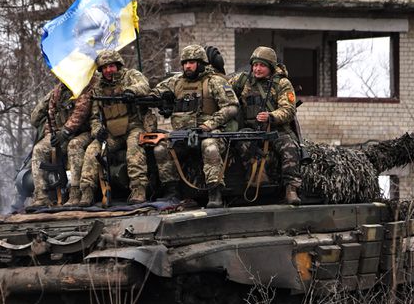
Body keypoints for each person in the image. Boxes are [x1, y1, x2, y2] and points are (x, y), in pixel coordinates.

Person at [150, 43, 239, 207]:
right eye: (184, 63)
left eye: (191, 62)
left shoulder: (215, 82)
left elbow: (232, 107)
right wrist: (162, 99)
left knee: (209, 147)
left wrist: (209, 124)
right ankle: (171, 191)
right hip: (182, 135)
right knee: (160, 148)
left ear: (201, 63)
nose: (187, 66)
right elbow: (154, 93)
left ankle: (215, 191)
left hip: (209, 133)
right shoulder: (176, 82)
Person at [75, 49, 153, 206]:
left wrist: (131, 91)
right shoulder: (98, 88)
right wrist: (98, 131)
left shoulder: (130, 76)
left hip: (133, 126)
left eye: (111, 66)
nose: (108, 70)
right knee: (92, 150)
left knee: (134, 148)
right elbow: (95, 116)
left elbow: (144, 86)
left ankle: (138, 190)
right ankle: (87, 192)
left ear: (118, 65)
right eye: (104, 68)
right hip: (111, 132)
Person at [228, 46, 303, 205]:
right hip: (252, 130)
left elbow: (289, 109)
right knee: (241, 137)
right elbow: (220, 85)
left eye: (262, 65)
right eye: (255, 65)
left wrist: (272, 116)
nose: (257, 69)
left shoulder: (282, 83)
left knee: (289, 148)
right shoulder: (242, 80)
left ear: (270, 67)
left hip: (276, 130)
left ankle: (291, 189)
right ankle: (258, 177)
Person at [29, 76, 96, 207]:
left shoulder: (83, 89)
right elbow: (50, 116)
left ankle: (75, 193)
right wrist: (51, 135)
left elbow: (79, 115)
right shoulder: (57, 92)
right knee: (39, 149)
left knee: (74, 145)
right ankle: (41, 195)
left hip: (83, 133)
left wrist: (64, 132)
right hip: (61, 134)